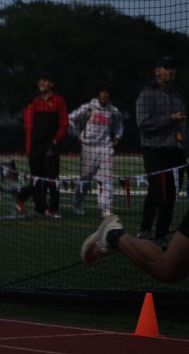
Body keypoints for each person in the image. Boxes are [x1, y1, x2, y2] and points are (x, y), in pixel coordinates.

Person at [134, 56, 186, 250]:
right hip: (154, 150)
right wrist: (170, 119)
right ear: (157, 71)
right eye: (166, 67)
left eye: (172, 68)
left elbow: (184, 127)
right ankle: (145, 229)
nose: (170, 71)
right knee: (157, 190)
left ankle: (161, 236)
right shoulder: (147, 94)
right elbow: (143, 123)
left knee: (171, 195)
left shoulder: (178, 97)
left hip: (176, 152)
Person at [15, 72, 68, 218]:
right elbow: (29, 128)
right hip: (36, 147)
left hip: (51, 147)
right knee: (36, 180)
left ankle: (53, 209)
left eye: (45, 80)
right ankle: (39, 209)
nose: (41, 83)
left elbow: (64, 123)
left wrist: (56, 140)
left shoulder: (59, 101)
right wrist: (29, 147)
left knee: (52, 179)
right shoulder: (35, 102)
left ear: (51, 84)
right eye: (40, 80)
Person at [68, 83, 123, 217]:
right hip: (88, 148)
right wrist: (75, 135)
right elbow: (70, 119)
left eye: (106, 92)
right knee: (85, 178)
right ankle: (77, 204)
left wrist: (117, 136)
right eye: (102, 92)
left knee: (106, 178)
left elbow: (119, 124)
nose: (104, 95)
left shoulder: (113, 110)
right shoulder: (88, 108)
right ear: (97, 94)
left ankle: (106, 208)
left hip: (105, 148)